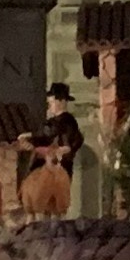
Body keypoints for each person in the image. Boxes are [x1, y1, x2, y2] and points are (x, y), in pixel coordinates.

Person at [15, 84, 84, 219]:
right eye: (49, 103)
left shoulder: (68, 122)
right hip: (44, 161)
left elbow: (67, 143)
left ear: (62, 101)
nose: (50, 106)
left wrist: (58, 152)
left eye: (52, 102)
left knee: (54, 192)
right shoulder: (52, 121)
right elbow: (43, 135)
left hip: (58, 164)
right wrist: (29, 138)